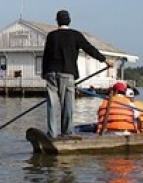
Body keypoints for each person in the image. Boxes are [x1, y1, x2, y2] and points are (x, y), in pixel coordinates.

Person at [42, 9, 115, 139]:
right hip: (67, 72)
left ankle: (52, 133)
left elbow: (45, 56)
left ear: (57, 21)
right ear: (69, 21)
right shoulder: (75, 35)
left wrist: (44, 73)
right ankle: (67, 132)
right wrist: (105, 60)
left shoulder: (51, 36)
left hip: (51, 72)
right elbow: (89, 49)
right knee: (67, 104)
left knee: (51, 104)